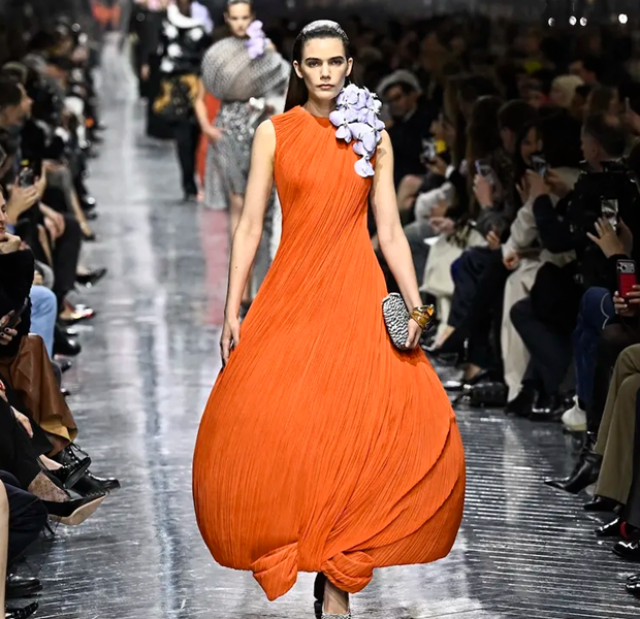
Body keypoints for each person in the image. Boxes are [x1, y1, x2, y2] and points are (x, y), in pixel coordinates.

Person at [193, 20, 465, 618]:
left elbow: (389, 229)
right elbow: (250, 225)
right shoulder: (274, 132)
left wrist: (415, 303)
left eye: (334, 62)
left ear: (348, 66)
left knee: (356, 427)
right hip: (291, 290)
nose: (324, 72)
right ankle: (317, 549)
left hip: (356, 289)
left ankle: (336, 577)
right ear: (298, 69)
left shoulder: (373, 136)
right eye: (313, 63)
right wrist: (232, 308)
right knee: (294, 424)